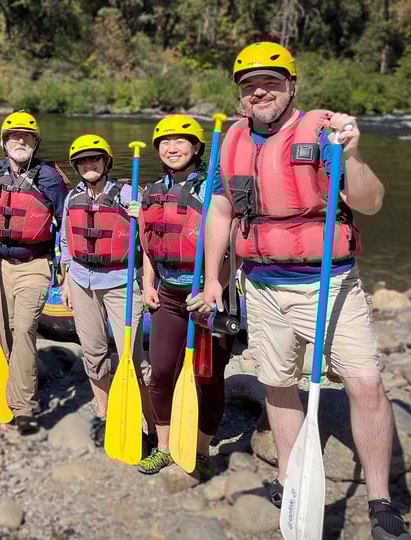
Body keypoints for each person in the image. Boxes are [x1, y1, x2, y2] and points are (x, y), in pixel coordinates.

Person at [203, 41, 410, 540]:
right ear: (239, 95)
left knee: (364, 382)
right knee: (277, 384)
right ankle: (288, 475)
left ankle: (379, 497)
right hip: (262, 284)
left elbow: (371, 201)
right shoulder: (231, 142)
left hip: (328, 282)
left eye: (271, 84)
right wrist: (212, 278)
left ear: (291, 86)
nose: (260, 93)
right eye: (250, 87)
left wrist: (351, 154)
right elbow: (221, 211)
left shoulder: (323, 131)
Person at [135, 115, 234, 480]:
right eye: (165, 142)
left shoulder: (214, 189)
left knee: (207, 377)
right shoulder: (151, 191)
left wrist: (214, 287)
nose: (172, 148)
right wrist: (148, 284)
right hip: (169, 294)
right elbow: (149, 244)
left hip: (208, 296)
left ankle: (201, 449)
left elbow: (231, 250)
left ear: (196, 147)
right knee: (161, 372)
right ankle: (163, 447)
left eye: (180, 141)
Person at [0, 112, 68, 434]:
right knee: (7, 332)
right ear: (4, 142)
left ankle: (24, 408)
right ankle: (14, 389)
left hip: (35, 265)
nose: (20, 141)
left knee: (23, 328)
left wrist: (65, 270)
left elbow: (66, 221)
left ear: (36, 142)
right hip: (0, 264)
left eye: (27, 136)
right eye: (14, 136)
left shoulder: (49, 177)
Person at [56, 134, 155, 446]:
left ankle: (151, 423)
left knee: (133, 357)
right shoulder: (72, 198)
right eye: (83, 160)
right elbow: (66, 242)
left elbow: (148, 239)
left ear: (106, 162)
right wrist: (66, 280)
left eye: (95, 158)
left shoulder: (128, 194)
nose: (89, 164)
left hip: (121, 282)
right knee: (94, 354)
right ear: (76, 166)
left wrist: (143, 214)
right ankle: (104, 412)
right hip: (81, 282)